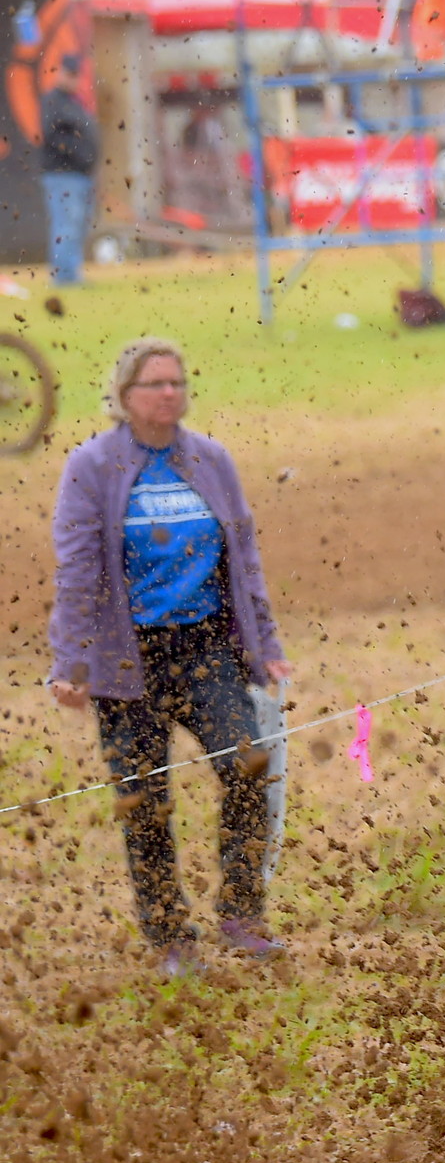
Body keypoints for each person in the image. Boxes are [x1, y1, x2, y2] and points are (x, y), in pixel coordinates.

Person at [48, 339, 295, 975]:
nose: (170, 393)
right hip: (126, 658)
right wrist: (70, 662)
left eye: (178, 382)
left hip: (205, 645)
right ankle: (169, 939)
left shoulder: (210, 460)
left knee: (248, 767)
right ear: (124, 396)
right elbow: (78, 575)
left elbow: (245, 560)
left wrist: (264, 645)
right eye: (156, 384)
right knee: (145, 802)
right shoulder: (93, 467)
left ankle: (242, 914)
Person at [40, 53, 98, 287]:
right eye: (69, 73)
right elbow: (52, 136)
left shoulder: (74, 101)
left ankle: (71, 273)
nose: (72, 79)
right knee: (66, 225)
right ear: (60, 72)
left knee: (77, 226)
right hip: (63, 174)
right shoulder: (53, 101)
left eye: (76, 75)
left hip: (79, 174)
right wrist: (80, 153)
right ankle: (64, 277)